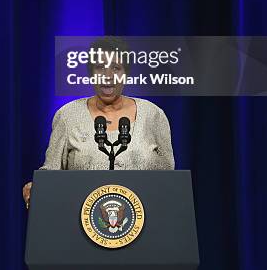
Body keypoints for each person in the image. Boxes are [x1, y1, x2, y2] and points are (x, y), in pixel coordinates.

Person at [23, 38, 174, 208]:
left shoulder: (153, 115)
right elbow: (51, 171)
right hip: (81, 224)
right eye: (100, 67)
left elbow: (169, 180)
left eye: (116, 68)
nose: (107, 76)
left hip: (145, 221)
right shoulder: (67, 115)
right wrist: (38, 186)